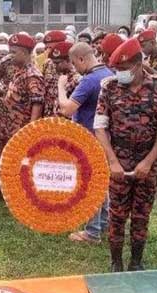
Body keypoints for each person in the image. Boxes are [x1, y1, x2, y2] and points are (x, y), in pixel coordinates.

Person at [94, 38, 157, 272]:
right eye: (116, 69)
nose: (119, 74)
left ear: (139, 64)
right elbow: (100, 126)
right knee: (116, 216)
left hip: (147, 165)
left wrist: (149, 162)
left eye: (123, 69)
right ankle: (116, 262)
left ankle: (136, 261)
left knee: (141, 216)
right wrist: (113, 161)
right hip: (118, 163)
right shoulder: (109, 87)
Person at [57, 42, 114, 244]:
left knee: (91, 185)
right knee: (101, 182)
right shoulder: (109, 73)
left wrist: (60, 88)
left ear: (81, 59)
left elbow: (67, 109)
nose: (74, 68)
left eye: (74, 63)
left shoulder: (89, 80)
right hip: (104, 138)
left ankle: (92, 232)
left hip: (89, 139)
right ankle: (105, 222)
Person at [0, 33, 44, 200]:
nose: (10, 56)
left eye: (14, 52)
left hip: (21, 129)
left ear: (25, 53)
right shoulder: (19, 72)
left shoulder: (32, 74)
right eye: (10, 51)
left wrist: (30, 129)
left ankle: (23, 197)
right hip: (8, 127)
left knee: (23, 164)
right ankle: (11, 194)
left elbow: (37, 102)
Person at [41, 30, 68, 116]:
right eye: (46, 48)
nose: (48, 51)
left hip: (65, 112)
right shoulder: (47, 63)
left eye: (50, 48)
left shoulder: (73, 64)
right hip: (48, 112)